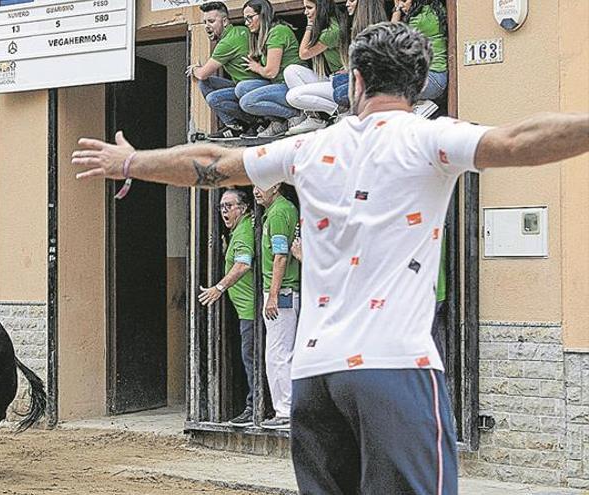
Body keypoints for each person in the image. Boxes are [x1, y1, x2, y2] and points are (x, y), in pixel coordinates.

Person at [71, 22, 589, 493]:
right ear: (417, 83)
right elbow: (521, 141)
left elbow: (214, 163)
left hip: (316, 376)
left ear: (356, 81)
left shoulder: (309, 146)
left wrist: (133, 161)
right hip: (393, 366)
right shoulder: (430, 137)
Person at [198, 189, 257, 426]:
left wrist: (218, 288)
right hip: (246, 310)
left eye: (229, 206)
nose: (224, 211)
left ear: (243, 209)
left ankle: (255, 408)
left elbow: (243, 264)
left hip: (251, 311)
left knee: (252, 359)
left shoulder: (242, 232)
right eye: (221, 207)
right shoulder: (238, 232)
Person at [254, 183, 299, 430]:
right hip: (285, 292)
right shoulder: (280, 210)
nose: (255, 190)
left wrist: (272, 295)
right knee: (281, 352)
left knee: (277, 354)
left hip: (282, 293)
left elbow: (281, 256)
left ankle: (286, 412)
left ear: (277, 186)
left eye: (262, 185)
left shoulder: (280, 213)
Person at [188, 2, 261, 141]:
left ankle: (256, 121)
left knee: (213, 98)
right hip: (246, 86)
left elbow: (202, 73)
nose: (206, 26)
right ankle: (235, 126)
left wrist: (194, 69)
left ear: (225, 21)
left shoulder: (226, 43)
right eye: (204, 22)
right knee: (206, 83)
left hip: (251, 90)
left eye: (211, 21)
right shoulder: (242, 30)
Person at [235, 0, 305, 138]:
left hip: (290, 86)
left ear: (263, 15)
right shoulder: (265, 35)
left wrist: (256, 67)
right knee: (241, 88)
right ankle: (278, 122)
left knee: (247, 102)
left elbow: (270, 72)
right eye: (245, 19)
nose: (246, 22)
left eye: (250, 17)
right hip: (277, 84)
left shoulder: (278, 32)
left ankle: (295, 115)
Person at [283, 0, 347, 134]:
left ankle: (338, 113)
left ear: (322, 7)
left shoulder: (331, 31)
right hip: (330, 79)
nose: (305, 12)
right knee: (291, 71)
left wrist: (310, 25)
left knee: (293, 96)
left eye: (309, 8)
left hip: (341, 83)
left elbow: (304, 53)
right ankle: (315, 118)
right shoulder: (327, 26)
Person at [393, 0, 448, 117]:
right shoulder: (434, 11)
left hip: (432, 79)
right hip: (437, 79)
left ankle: (417, 108)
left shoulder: (418, 19)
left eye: (404, 1)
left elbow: (390, 35)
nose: (402, 5)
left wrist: (397, 9)